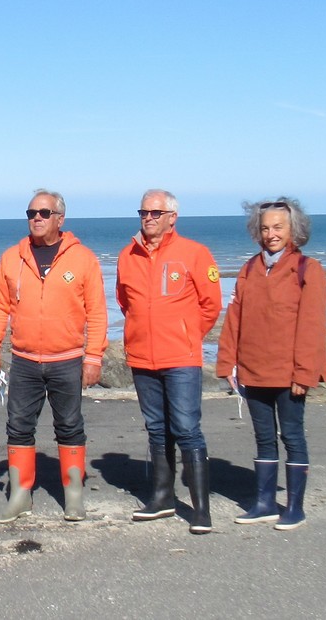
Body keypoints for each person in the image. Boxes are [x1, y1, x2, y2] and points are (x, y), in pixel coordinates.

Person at [0, 189, 108, 523]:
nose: (36, 218)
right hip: (23, 361)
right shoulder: (12, 257)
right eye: (31, 213)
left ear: (60, 219)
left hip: (67, 359)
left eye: (43, 213)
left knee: (69, 426)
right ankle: (20, 496)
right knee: (18, 427)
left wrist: (93, 357)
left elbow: (96, 313)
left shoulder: (83, 259)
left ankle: (74, 497)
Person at [216, 198, 326, 530]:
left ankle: (295, 507)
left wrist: (304, 372)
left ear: (293, 229)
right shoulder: (250, 268)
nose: (271, 234)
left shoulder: (308, 269)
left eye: (278, 227)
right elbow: (234, 319)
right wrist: (227, 364)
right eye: (265, 227)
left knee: (292, 436)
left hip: (289, 373)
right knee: (263, 438)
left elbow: (312, 326)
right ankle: (265, 503)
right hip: (253, 370)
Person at [116, 189, 222, 534]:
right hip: (142, 357)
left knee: (187, 428)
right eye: (144, 212)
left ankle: (200, 509)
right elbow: (125, 302)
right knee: (157, 429)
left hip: (181, 357)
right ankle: (162, 497)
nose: (148, 217)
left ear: (172, 217)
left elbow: (211, 304)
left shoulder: (195, 253)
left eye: (156, 212)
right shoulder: (127, 255)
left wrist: (187, 334)